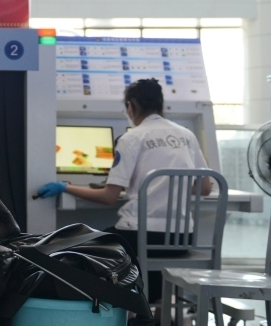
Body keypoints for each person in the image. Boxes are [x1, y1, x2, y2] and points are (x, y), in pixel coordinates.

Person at [36, 78, 211, 302]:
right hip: (181, 239)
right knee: (141, 254)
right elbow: (205, 188)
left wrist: (67, 187)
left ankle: (108, 311)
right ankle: (153, 312)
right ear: (161, 104)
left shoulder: (132, 137)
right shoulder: (187, 135)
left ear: (131, 106)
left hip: (142, 237)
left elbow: (109, 197)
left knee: (80, 246)